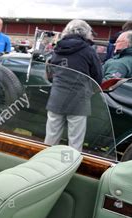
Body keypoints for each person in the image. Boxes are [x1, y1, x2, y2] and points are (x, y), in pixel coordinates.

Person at [44, 19, 102, 152]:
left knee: (50, 141)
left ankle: (44, 167)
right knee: (74, 144)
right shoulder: (89, 51)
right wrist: (90, 92)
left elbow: (51, 73)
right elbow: (97, 78)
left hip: (56, 99)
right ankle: (70, 168)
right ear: (86, 32)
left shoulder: (57, 48)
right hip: (79, 101)